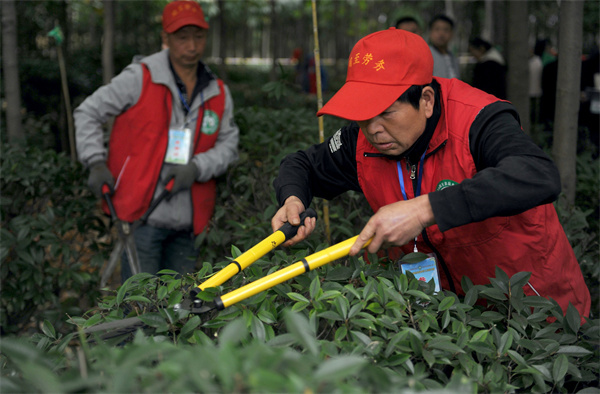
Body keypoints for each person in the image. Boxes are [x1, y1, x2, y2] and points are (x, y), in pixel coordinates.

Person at [271, 28, 591, 320]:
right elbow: (303, 164)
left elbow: (537, 174)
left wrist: (426, 209)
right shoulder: (362, 138)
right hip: (441, 321)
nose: (373, 129)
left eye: (385, 112)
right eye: (363, 113)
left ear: (426, 100)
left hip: (532, 312)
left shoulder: (477, 120)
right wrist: (293, 198)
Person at [74, 0, 239, 281]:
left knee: (180, 311)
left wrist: (197, 167)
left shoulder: (217, 91)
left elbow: (228, 146)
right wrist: (96, 161)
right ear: (165, 38)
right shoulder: (140, 77)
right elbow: (88, 112)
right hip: (142, 216)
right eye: (182, 37)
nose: (191, 46)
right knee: (139, 308)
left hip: (190, 222)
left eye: (198, 37)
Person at [428, 14, 460, 79]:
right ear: (430, 33)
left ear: (452, 34)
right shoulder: (426, 55)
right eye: (437, 29)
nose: (441, 33)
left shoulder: (453, 57)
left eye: (446, 30)